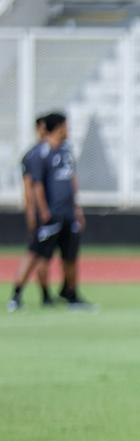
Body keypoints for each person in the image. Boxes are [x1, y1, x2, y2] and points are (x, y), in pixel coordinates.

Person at [16, 112, 91, 310]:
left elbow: (71, 180)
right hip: (50, 215)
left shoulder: (66, 151)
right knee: (38, 254)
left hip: (68, 213)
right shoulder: (37, 154)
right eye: (66, 125)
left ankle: (70, 293)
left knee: (70, 255)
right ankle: (23, 294)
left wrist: (76, 207)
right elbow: (33, 186)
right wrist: (37, 212)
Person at [8, 115, 54, 311]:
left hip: (51, 214)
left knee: (44, 255)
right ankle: (16, 296)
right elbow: (29, 187)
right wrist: (32, 213)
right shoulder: (35, 155)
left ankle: (45, 296)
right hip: (41, 215)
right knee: (34, 253)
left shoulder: (51, 153)